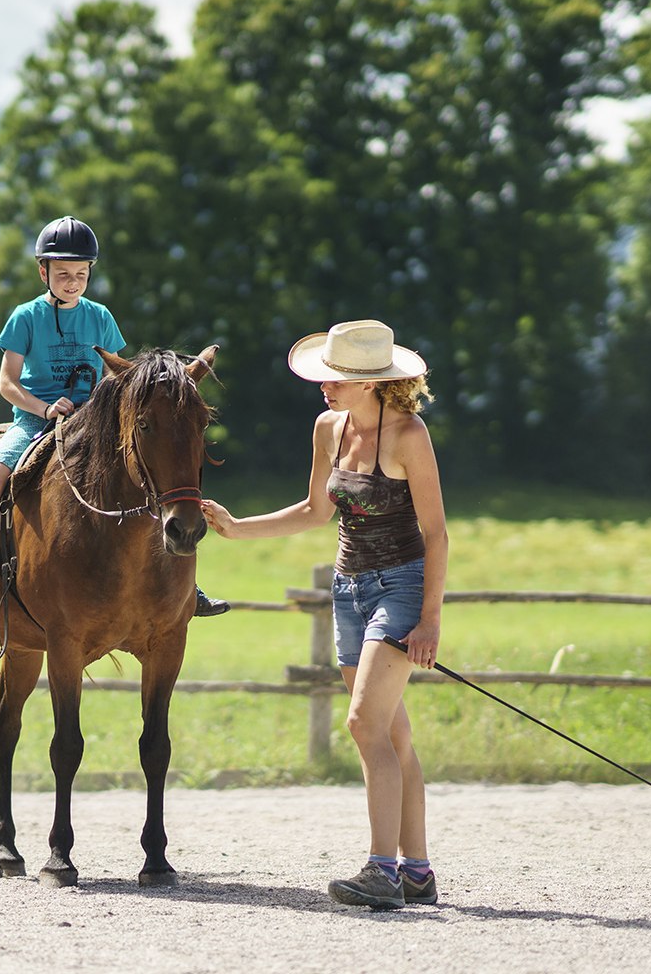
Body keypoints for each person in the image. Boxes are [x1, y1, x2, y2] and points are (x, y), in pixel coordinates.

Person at [201, 319, 448, 911]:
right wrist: (238, 529)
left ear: (371, 383)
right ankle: (417, 872)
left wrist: (430, 620)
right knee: (392, 732)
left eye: (336, 379)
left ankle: (381, 871)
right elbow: (317, 511)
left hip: (401, 588)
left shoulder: (408, 434)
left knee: (364, 723)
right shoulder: (328, 429)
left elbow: (436, 533)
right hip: (348, 589)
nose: (325, 387)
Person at [0, 215, 231, 620]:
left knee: (148, 478)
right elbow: (7, 382)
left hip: (94, 423)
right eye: (62, 273)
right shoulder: (25, 317)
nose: (72, 282)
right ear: (43, 272)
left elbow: (120, 376)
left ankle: (183, 586)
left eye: (80, 273)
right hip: (36, 421)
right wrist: (44, 408)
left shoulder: (101, 317)